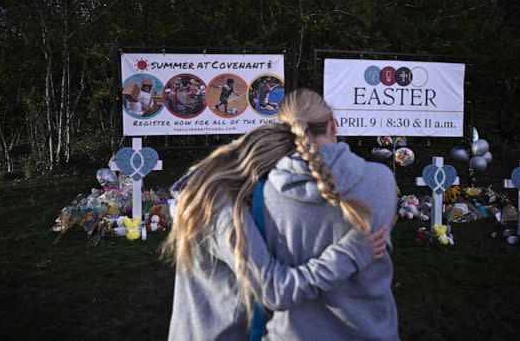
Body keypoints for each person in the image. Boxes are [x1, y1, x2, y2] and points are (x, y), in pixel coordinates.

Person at [163, 122, 390, 340]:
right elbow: (274, 289)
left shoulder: (214, 195)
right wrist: (353, 252)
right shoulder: (219, 211)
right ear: (266, 166)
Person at [260, 88, 399, 340]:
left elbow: (271, 287)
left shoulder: (265, 194)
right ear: (333, 125)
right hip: (371, 332)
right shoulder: (383, 179)